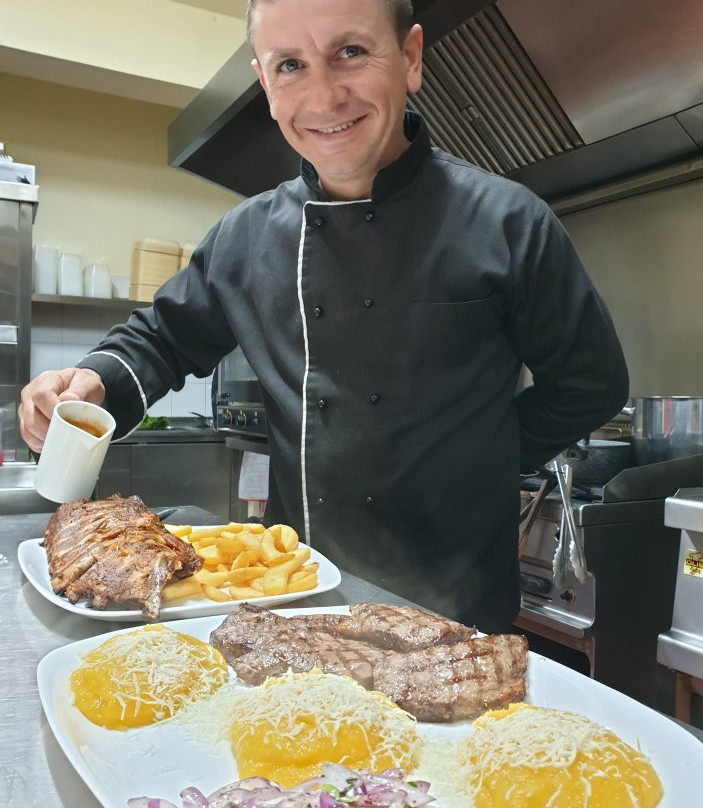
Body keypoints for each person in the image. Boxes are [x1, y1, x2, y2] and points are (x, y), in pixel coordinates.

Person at [19, 0, 628, 633]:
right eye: (290, 65)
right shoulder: (246, 237)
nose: (323, 96)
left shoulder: (509, 222)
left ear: (410, 58)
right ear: (266, 85)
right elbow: (162, 338)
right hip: (296, 599)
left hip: (456, 610)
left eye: (350, 52)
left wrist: (480, 458)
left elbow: (591, 383)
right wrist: (92, 383)